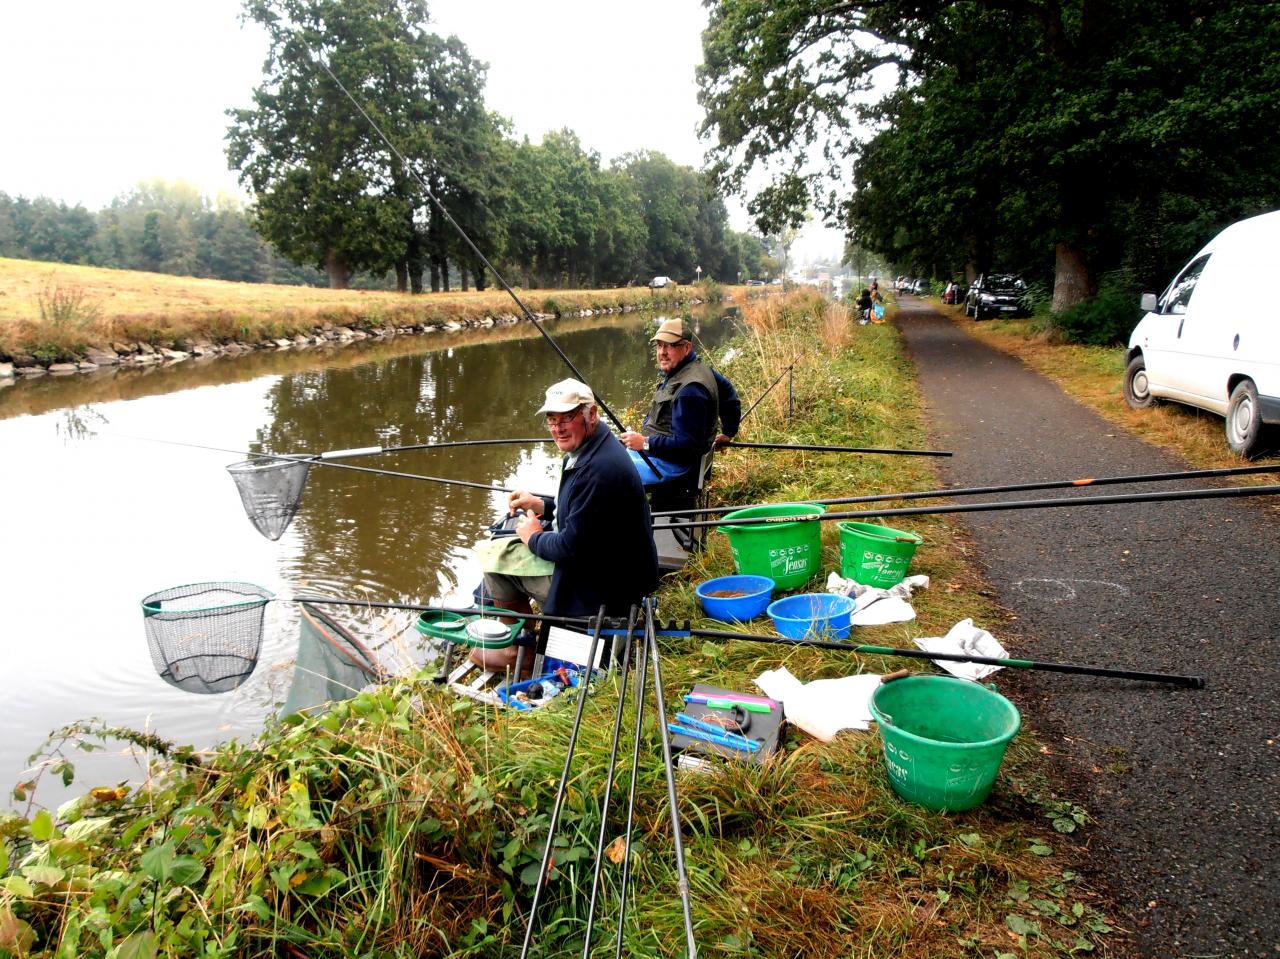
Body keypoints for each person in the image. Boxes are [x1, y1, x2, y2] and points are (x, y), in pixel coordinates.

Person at [471, 378, 658, 671]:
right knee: (507, 538)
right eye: (551, 420)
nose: (558, 428)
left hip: (605, 588)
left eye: (567, 418)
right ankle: (521, 639)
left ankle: (518, 652)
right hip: (612, 566)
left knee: (495, 560)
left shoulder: (598, 469)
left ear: (591, 415)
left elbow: (570, 547)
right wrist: (542, 505)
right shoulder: (595, 449)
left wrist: (532, 538)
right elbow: (585, 513)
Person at [619, 318, 723, 508]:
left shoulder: (690, 391)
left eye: (670, 346)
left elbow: (687, 446)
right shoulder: (698, 369)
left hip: (673, 467)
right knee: (603, 458)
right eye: (659, 346)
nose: (662, 352)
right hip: (662, 457)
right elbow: (729, 394)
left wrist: (644, 443)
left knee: (604, 475)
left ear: (687, 347)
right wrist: (730, 430)